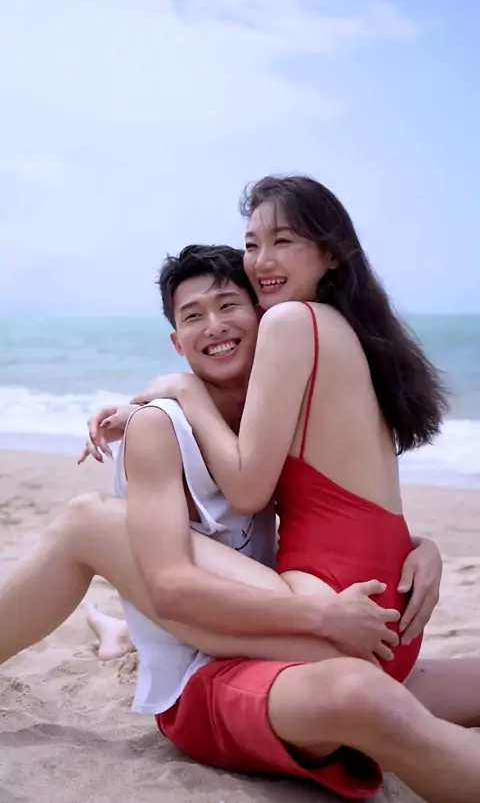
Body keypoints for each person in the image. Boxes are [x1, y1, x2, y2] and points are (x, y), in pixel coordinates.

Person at [2, 242, 480, 801]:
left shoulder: (268, 424)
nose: (215, 326)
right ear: (177, 343)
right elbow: (173, 589)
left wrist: (421, 547)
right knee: (87, 519)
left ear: (259, 316)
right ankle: (129, 634)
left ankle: (123, 633)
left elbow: (327, 512)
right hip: (217, 669)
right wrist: (323, 614)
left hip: (280, 639)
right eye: (193, 316)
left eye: (229, 305)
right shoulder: (161, 428)